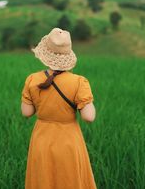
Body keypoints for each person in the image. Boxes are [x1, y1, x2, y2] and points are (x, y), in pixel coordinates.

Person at [20, 27, 97, 189]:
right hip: (69, 140)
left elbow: (26, 112)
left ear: (45, 55)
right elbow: (89, 117)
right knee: (69, 179)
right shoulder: (79, 82)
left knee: (43, 179)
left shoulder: (33, 79)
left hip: (42, 139)